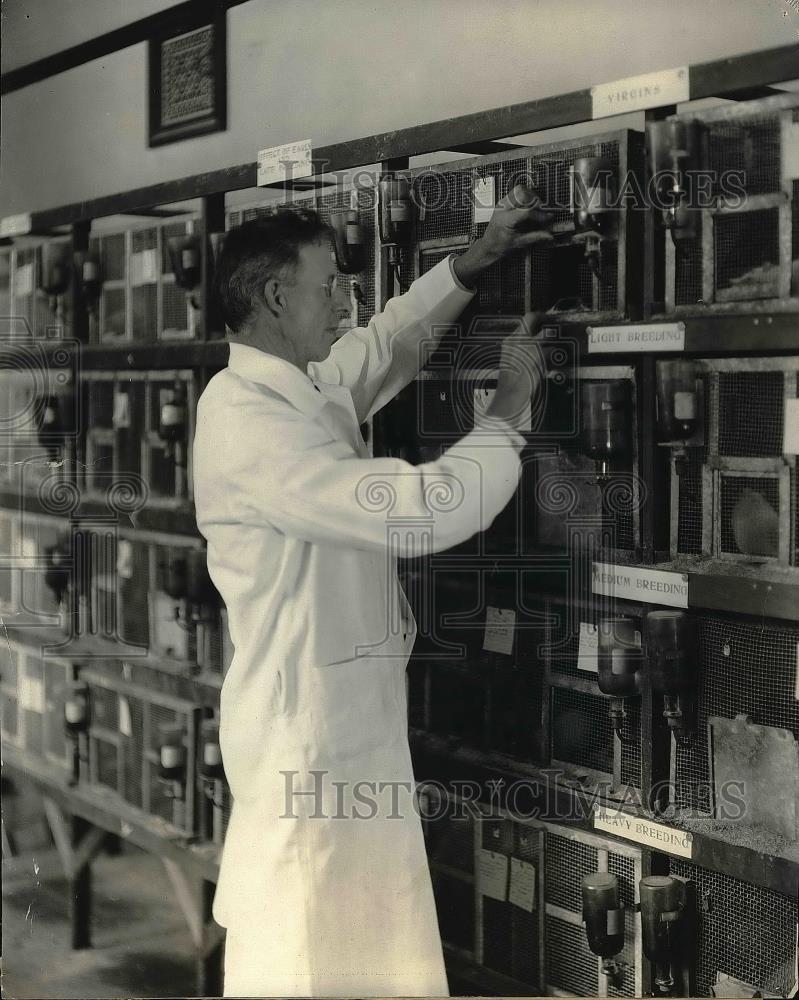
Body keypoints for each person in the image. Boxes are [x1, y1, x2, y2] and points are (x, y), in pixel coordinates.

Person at [192, 184, 552, 998]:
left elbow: (384, 345)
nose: (349, 305)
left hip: (343, 727)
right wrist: (503, 418)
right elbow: (417, 511)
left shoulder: (296, 384)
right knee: (306, 958)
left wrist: (469, 264)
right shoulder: (250, 422)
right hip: (307, 750)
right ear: (277, 298)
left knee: (367, 950)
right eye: (332, 288)